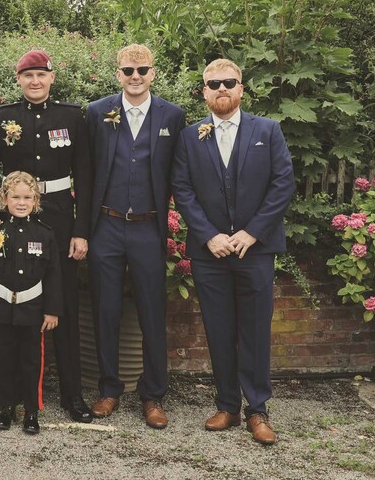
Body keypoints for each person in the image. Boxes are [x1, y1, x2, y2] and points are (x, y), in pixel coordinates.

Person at [171, 58, 294, 445]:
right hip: (210, 254)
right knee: (219, 329)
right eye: (214, 83)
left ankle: (258, 410)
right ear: (204, 91)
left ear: (241, 88)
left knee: (255, 331)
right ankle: (227, 405)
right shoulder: (191, 136)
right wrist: (208, 235)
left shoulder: (268, 130)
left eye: (229, 82)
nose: (221, 88)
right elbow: (182, 189)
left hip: (255, 252)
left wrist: (252, 232)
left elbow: (282, 184)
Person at [0, 49, 93, 423]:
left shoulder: (72, 117)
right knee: (11, 315)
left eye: (41, 75)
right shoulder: (2, 117)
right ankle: (5, 394)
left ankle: (73, 395)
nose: (35, 81)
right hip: (12, 225)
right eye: (28, 76)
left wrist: (81, 231)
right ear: (19, 80)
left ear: (52, 77)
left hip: (57, 220)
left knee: (65, 311)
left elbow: (86, 178)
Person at [85, 44, 186, 428]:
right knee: (105, 309)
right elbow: (88, 168)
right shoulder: (97, 112)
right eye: (128, 70)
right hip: (107, 225)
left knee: (151, 311)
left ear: (153, 73)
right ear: (118, 74)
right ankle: (109, 389)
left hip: (148, 226)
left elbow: (179, 172)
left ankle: (153, 395)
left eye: (142, 70)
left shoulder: (172, 116)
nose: (135, 76)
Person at [0, 171, 63, 434]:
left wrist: (52, 311)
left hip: (33, 309)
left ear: (36, 200)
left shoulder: (45, 234)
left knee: (31, 361)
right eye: (15, 197)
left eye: (27, 197)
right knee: (3, 359)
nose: (21, 202)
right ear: (4, 199)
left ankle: (31, 411)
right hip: (1, 308)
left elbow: (54, 276)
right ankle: (5, 407)